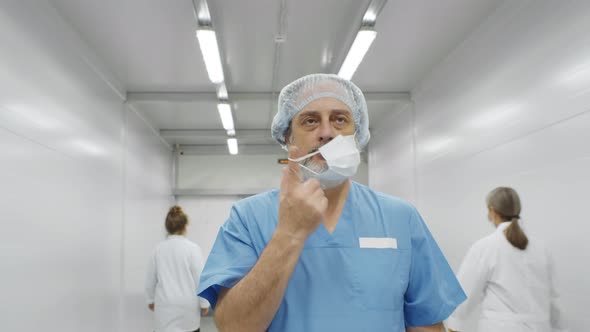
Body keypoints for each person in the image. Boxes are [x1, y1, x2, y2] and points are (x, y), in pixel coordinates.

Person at [198, 73, 466, 331]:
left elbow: (425, 323)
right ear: (288, 137)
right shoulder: (249, 217)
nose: (327, 133)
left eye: (340, 120)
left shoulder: (400, 217)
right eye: (310, 121)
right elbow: (234, 326)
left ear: (357, 134)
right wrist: (289, 233)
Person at [446, 187, 568, 332]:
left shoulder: (485, 247)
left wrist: (453, 325)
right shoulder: (541, 249)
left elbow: (462, 297)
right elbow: (553, 299)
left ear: (492, 211)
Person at [145, 205, 210, 332]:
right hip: (188, 311)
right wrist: (204, 304)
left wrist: (150, 299)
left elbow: (150, 280)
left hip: (164, 309)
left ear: (167, 227)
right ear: (185, 226)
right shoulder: (193, 249)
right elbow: (200, 279)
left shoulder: (157, 250)